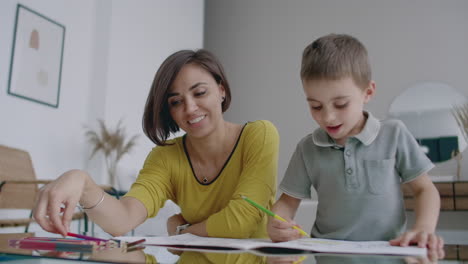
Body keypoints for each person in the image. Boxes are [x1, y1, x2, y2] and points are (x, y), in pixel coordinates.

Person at [33, 49, 279, 239]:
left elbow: (242, 220)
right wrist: (82, 182)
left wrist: (182, 230)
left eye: (200, 92)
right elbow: (123, 220)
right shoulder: (166, 158)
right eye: (175, 101)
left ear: (221, 91)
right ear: (168, 110)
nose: (190, 108)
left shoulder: (259, 135)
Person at [267, 34, 444, 259]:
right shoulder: (308, 148)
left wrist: (424, 228)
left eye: (341, 104)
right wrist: (276, 223)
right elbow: (287, 203)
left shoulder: (394, 134)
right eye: (316, 106)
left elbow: (424, 190)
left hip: (390, 256)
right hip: (328, 259)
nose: (328, 117)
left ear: (368, 92)